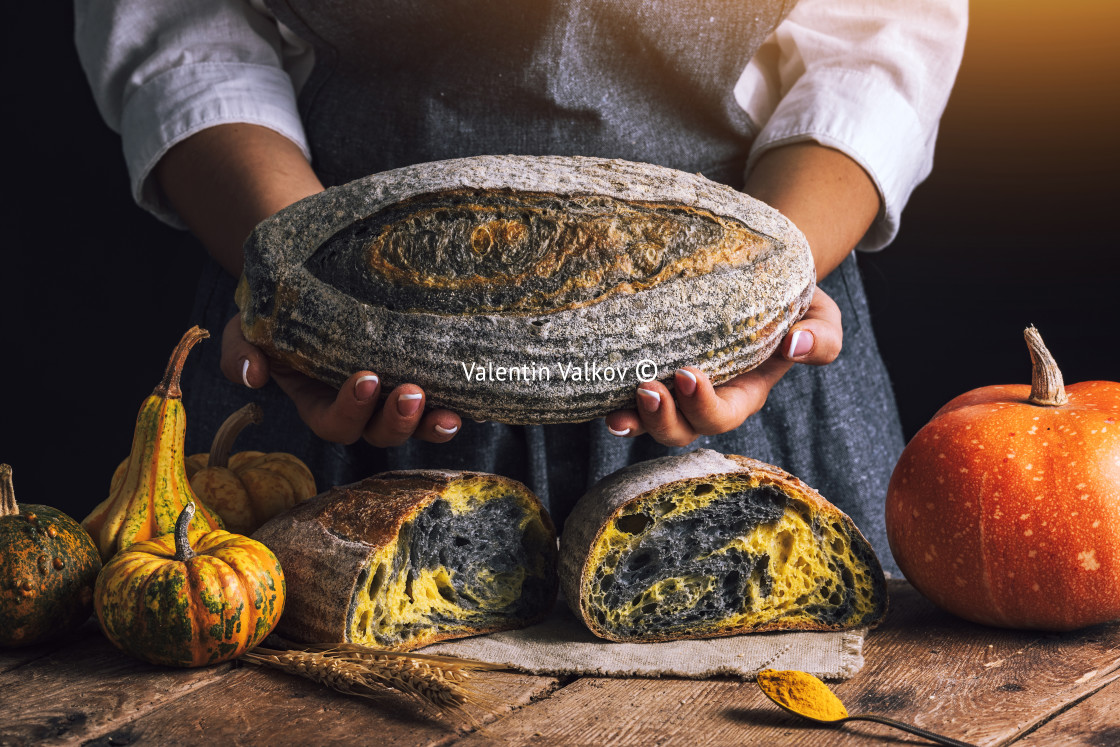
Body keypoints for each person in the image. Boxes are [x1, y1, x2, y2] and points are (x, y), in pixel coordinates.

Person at [76, 0, 968, 574]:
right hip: (329, 373)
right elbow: (183, 24)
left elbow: (877, 32)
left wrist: (759, 299)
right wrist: (300, 292)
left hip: (744, 384)